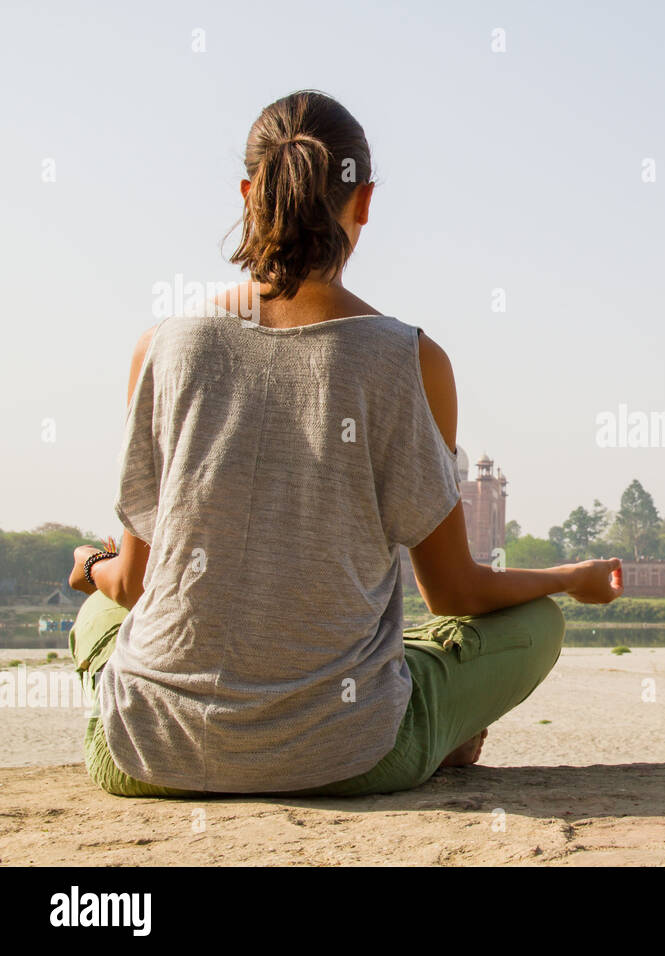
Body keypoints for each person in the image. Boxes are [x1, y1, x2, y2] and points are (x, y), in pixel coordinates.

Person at [66, 90, 622, 798]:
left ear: (247, 193)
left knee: (97, 611)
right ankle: (437, 729)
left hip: (146, 757)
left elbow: (136, 584)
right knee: (534, 624)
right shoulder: (410, 360)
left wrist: (89, 565)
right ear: (363, 204)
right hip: (351, 755)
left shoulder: (162, 349)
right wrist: (568, 578)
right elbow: (453, 592)